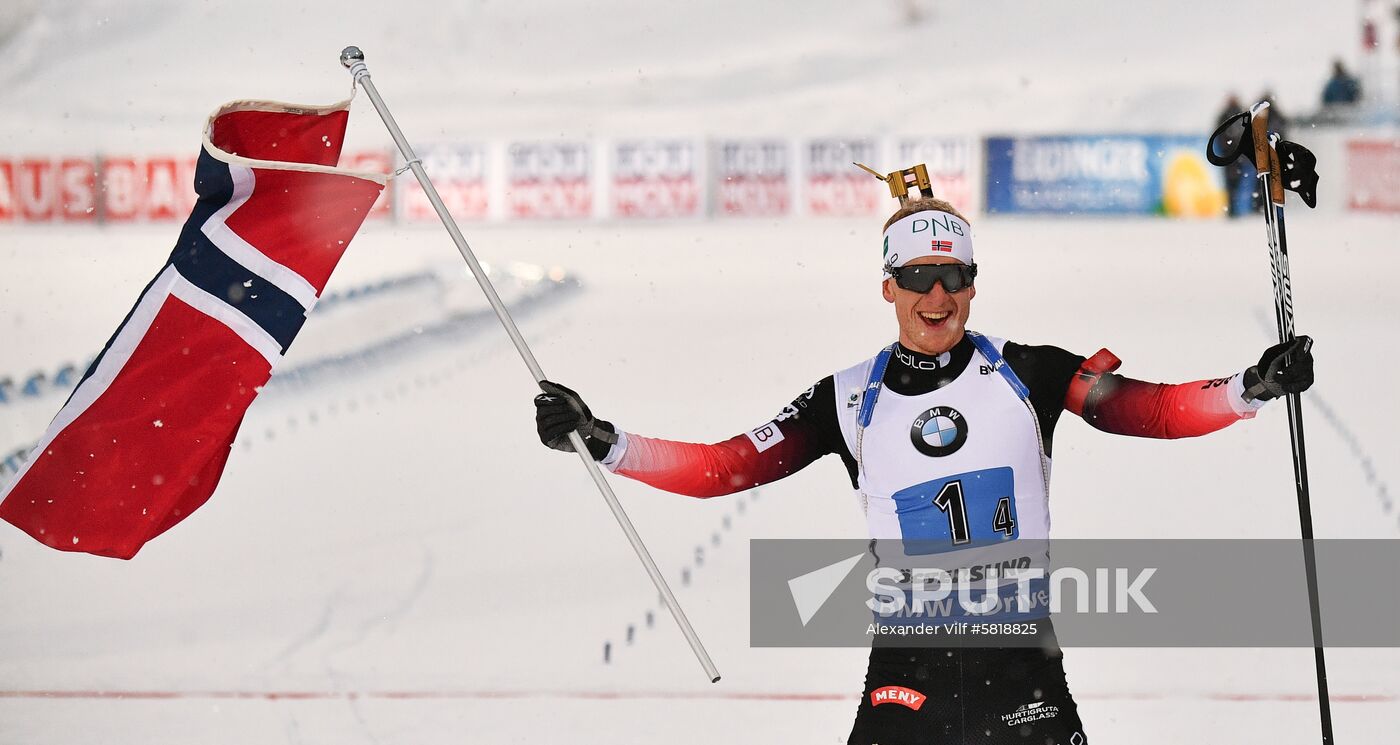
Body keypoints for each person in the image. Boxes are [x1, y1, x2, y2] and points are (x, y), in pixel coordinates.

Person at [532, 184, 1315, 745]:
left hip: (1022, 673)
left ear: (974, 285)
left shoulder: (1031, 372)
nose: (936, 295)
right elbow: (721, 468)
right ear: (888, 285)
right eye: (916, 278)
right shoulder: (845, 398)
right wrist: (602, 437)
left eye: (955, 277)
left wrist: (1251, 387)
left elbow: (1153, 410)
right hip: (908, 670)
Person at [1216, 93, 1248, 217]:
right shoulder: (1232, 115)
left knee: (1235, 183)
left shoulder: (1239, 115)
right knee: (1231, 183)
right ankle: (1232, 208)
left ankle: (1233, 208)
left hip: (1235, 155)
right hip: (1231, 155)